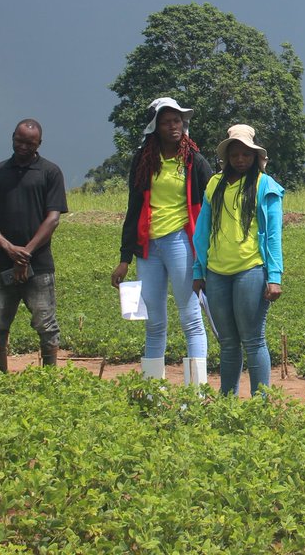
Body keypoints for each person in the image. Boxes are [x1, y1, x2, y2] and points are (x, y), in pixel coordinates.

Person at [110, 98, 212, 384]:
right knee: (154, 322)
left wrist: (209, 251)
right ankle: (151, 389)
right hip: (148, 247)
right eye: (167, 122)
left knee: (190, 317)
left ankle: (197, 391)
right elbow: (134, 209)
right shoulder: (143, 161)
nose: (173, 127)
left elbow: (212, 200)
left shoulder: (193, 160)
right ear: (155, 127)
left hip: (181, 241)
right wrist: (124, 258)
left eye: (177, 121)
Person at [191, 124, 285, 396]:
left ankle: (261, 404)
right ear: (227, 157)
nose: (240, 160)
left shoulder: (265, 185)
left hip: (251, 270)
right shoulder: (214, 184)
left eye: (246, 154)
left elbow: (273, 236)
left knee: (253, 340)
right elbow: (202, 230)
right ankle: (226, 401)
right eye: (235, 154)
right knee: (228, 343)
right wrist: (199, 270)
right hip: (217, 272)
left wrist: (275, 277)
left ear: (256, 156)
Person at [0, 119, 68, 372]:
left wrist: (25, 253)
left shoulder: (50, 172)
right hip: (1, 264)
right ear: (12, 138)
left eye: (30, 143)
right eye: (20, 140)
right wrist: (9, 249)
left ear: (39, 143)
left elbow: (53, 218)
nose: (24, 146)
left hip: (38, 265)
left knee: (46, 324)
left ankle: (49, 377)